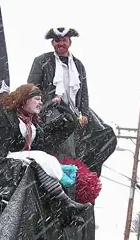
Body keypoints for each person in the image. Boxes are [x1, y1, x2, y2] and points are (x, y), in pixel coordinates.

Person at [0, 83, 77, 157]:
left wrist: (60, 107)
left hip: (23, 171)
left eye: (41, 100)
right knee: (42, 159)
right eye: (37, 99)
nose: (41, 103)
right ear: (24, 99)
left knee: (45, 160)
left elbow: (65, 125)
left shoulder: (34, 126)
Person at [28, 27, 90, 159]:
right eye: (57, 40)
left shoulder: (78, 65)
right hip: (50, 109)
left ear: (70, 42)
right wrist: (43, 105)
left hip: (73, 110)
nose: (61, 43)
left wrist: (85, 114)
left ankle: (87, 171)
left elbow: (84, 92)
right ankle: (66, 164)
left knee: (103, 132)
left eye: (64, 40)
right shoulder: (41, 61)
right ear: (52, 43)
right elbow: (31, 89)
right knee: (64, 132)